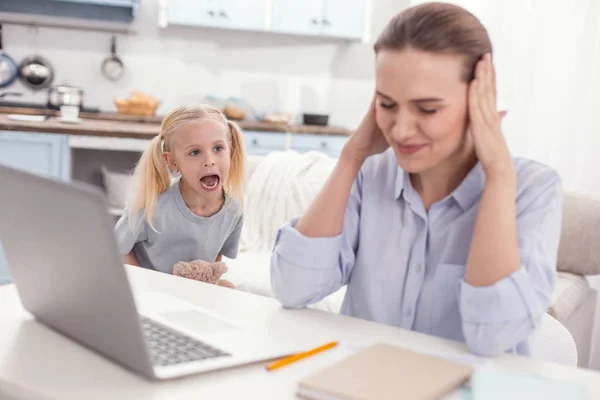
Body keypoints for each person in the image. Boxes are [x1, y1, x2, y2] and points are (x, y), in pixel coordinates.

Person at [270, 2, 562, 357]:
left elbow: (493, 337)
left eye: (427, 109)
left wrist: (498, 174)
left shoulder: (533, 189)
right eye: (387, 104)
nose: (402, 129)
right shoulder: (370, 172)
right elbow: (292, 287)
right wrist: (352, 156)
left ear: (478, 99)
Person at [115, 104, 246, 276]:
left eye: (218, 148)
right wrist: (146, 283)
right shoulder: (152, 206)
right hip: (153, 291)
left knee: (228, 288)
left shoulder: (233, 212)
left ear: (230, 150)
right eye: (195, 152)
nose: (210, 160)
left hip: (192, 291)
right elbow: (117, 248)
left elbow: (215, 261)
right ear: (171, 161)